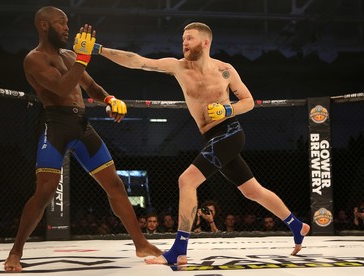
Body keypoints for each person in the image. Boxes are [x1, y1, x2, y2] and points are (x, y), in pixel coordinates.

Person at [95, 22, 310, 265]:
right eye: (183, 38)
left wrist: (227, 109)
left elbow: (248, 101)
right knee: (252, 190)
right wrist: (100, 50)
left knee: (187, 180)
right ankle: (296, 225)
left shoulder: (225, 70)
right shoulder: (177, 67)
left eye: (189, 38)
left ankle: (179, 250)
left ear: (205, 42)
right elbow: (137, 60)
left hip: (230, 132)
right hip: (211, 138)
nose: (184, 42)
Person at [3, 6, 162, 272]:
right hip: (56, 125)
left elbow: (90, 86)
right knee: (44, 193)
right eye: (61, 23)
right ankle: (15, 252)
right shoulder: (34, 59)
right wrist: (84, 58)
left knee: (116, 186)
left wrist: (110, 99)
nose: (67, 28)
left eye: (67, 23)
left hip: (82, 126)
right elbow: (63, 87)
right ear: (44, 25)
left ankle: (140, 243)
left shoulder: (68, 55)